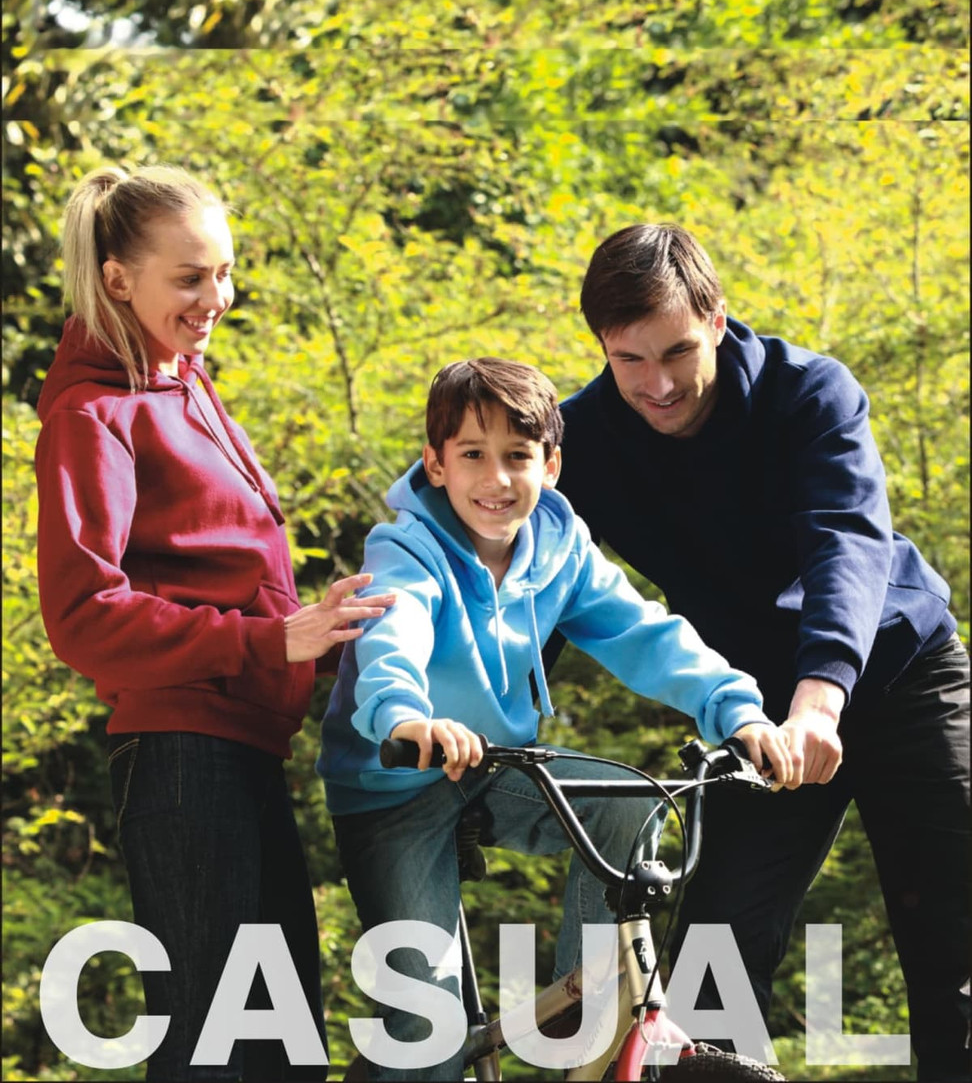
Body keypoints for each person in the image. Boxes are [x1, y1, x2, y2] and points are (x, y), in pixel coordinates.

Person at [551, 221, 970, 1083]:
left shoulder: (810, 392)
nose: (658, 384)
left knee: (955, 938)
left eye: (677, 351)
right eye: (631, 360)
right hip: (751, 711)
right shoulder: (581, 441)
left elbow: (844, 542)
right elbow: (539, 588)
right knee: (714, 959)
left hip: (894, 673)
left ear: (716, 316)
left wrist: (821, 696)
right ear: (602, 345)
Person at [317, 356, 793, 1082]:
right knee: (427, 1029)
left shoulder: (560, 548)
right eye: (472, 455)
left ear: (552, 464)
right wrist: (407, 717)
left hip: (495, 768)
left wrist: (736, 710)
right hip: (396, 782)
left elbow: (644, 634)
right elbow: (395, 634)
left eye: (518, 456)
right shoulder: (406, 550)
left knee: (629, 806)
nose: (497, 479)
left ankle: (581, 1014)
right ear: (436, 465)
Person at [34, 165, 396, 1083]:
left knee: (279, 1051)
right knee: (218, 1050)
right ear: (118, 279)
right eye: (189, 278)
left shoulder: (183, 385)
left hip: (240, 749)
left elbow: (223, 569)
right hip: (181, 757)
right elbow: (81, 616)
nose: (216, 297)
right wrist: (265, 641)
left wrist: (317, 628)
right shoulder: (93, 415)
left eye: (225, 272)